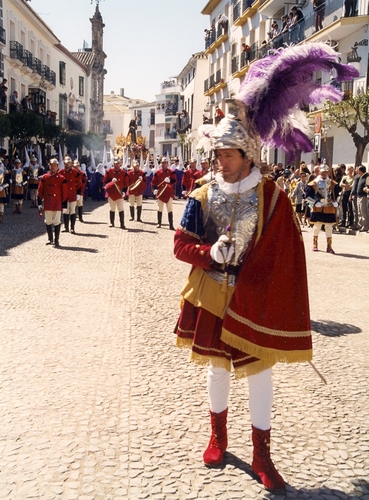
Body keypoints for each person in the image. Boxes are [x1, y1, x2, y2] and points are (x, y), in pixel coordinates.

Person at [173, 107, 312, 493]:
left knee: (260, 375)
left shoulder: (272, 197)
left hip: (254, 299)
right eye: (217, 154)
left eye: (227, 155)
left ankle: (262, 456)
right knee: (217, 369)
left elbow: (286, 252)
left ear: (248, 155)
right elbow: (180, 245)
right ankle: (218, 438)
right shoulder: (203, 192)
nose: (220, 161)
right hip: (212, 294)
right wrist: (208, 254)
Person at [306, 164, 338, 253]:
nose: (324, 174)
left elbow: (336, 194)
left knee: (329, 227)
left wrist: (336, 202)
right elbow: (307, 196)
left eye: (326, 172)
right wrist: (315, 202)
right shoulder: (314, 183)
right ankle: (315, 244)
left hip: (329, 207)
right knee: (317, 227)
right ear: (320, 172)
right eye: (323, 172)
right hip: (318, 208)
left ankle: (329, 246)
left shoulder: (332, 183)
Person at [37, 158, 68, 247]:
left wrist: (64, 204)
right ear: (49, 166)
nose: (53, 167)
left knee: (57, 221)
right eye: (51, 165)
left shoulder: (62, 178)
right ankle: (50, 239)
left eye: (55, 165)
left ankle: (56, 240)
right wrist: (39, 202)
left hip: (57, 203)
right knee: (48, 221)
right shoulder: (44, 177)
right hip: (47, 202)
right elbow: (40, 190)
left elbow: (64, 192)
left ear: (57, 167)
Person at [151, 157, 177, 230]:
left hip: (169, 193)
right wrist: (154, 190)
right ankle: (159, 223)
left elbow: (175, 180)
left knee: (169, 208)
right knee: (159, 208)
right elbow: (153, 183)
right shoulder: (157, 172)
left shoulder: (172, 172)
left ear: (167, 164)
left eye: (165, 163)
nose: (164, 165)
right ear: (161, 164)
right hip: (160, 193)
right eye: (162, 163)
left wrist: (170, 181)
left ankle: (171, 224)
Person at [103, 156, 128, 229]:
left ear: (120, 164)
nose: (116, 165)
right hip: (111, 193)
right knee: (112, 208)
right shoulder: (109, 171)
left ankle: (122, 224)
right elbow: (104, 180)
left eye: (118, 164)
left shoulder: (124, 172)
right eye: (115, 164)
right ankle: (112, 222)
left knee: (121, 208)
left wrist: (124, 191)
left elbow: (126, 183)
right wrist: (111, 181)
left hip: (119, 193)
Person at [59, 156, 82, 234]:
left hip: (72, 195)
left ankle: (72, 227)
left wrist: (78, 193)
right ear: (64, 163)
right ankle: (66, 227)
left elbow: (79, 183)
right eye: (66, 163)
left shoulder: (75, 172)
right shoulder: (61, 172)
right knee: (65, 211)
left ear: (71, 163)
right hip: (64, 195)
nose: (68, 164)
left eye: (69, 163)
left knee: (72, 211)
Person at [355, 165, 369, 231]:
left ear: (360, 170)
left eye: (358, 170)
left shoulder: (366, 177)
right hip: (359, 196)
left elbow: (367, 186)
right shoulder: (360, 177)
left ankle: (365, 226)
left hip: (364, 196)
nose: (357, 171)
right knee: (359, 212)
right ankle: (360, 225)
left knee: (364, 212)